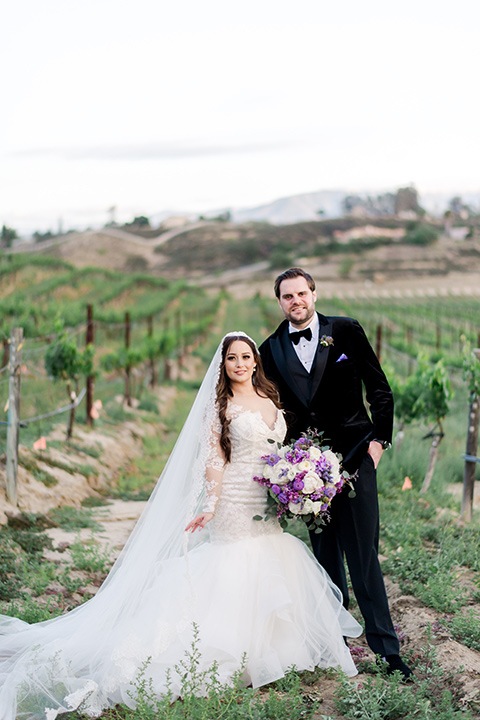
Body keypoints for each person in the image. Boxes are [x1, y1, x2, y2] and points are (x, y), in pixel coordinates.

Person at [0, 332, 361, 720]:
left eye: (245, 357)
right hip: (234, 498)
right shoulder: (221, 404)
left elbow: (276, 449)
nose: (239, 364)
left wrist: (296, 479)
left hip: (267, 497)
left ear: (256, 361)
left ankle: (267, 654)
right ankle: (222, 653)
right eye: (231, 359)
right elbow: (215, 458)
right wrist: (210, 503)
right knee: (234, 563)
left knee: (269, 559)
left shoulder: (271, 397)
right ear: (223, 366)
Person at [259, 268, 412, 680]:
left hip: (357, 458)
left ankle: (387, 652)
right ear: (279, 302)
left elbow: (379, 388)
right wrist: (286, 467)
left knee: (364, 558)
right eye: (287, 296)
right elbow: (274, 412)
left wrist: (379, 443)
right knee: (326, 560)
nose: (296, 301)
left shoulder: (345, 331)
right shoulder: (269, 348)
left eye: (301, 293)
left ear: (314, 293)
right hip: (306, 473)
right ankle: (335, 644)